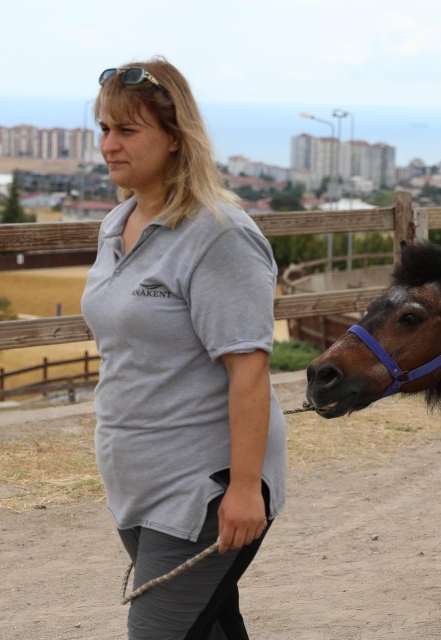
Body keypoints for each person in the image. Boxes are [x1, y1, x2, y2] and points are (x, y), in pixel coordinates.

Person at [80, 57, 288, 640]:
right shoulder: (117, 223)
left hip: (203, 487)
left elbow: (249, 370)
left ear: (175, 138)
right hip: (137, 482)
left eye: (127, 130)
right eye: (104, 129)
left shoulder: (219, 235)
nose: (109, 146)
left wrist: (246, 489)